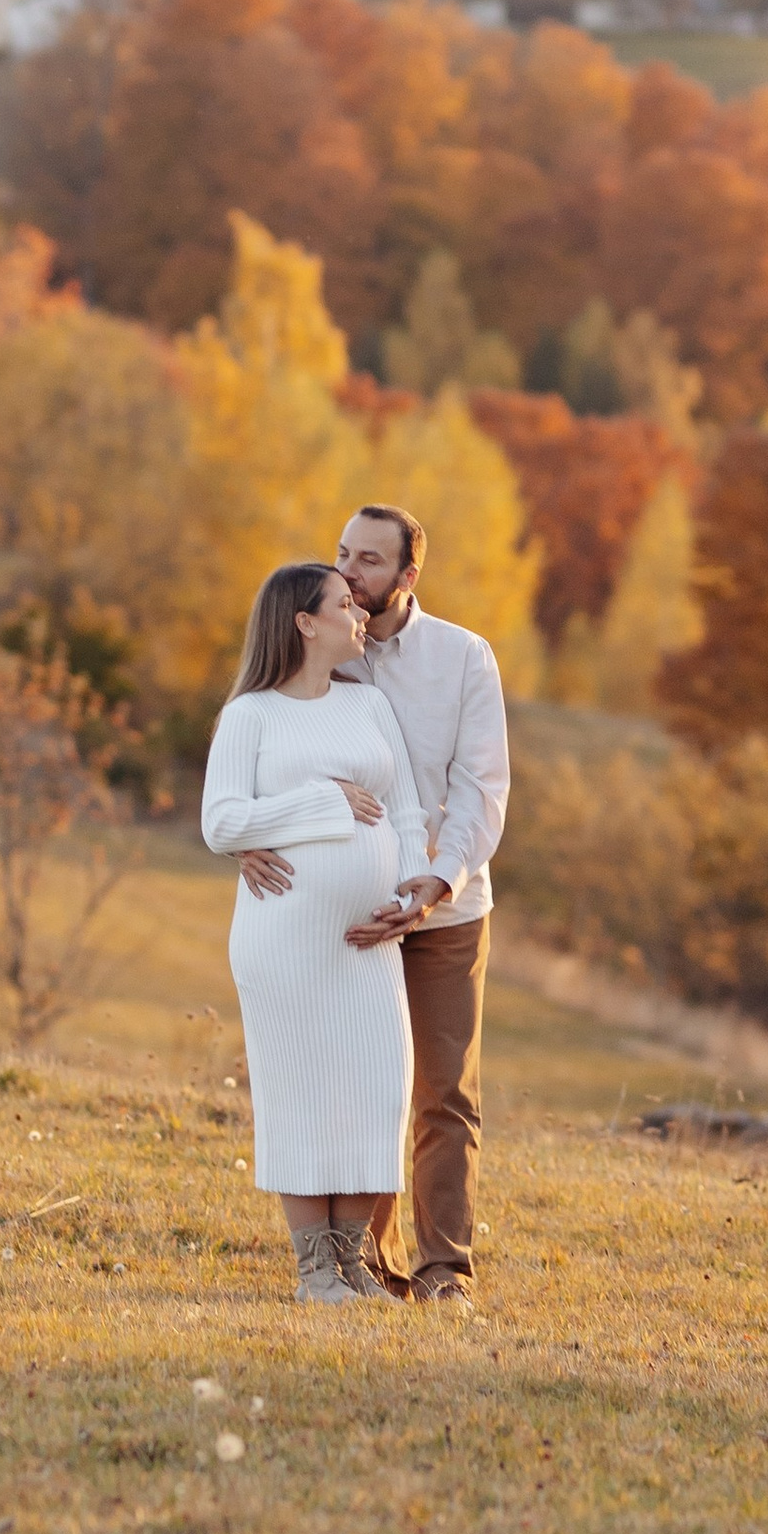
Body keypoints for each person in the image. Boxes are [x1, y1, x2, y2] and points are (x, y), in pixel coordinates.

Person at [236, 502, 509, 1304]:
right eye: (343, 554)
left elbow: (480, 789)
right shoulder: (321, 646)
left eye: (370, 562)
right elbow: (263, 750)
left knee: (442, 1093)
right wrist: (251, 835)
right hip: (347, 917)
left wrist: (437, 881)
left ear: (408, 576)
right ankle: (370, 1266)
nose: (349, 574)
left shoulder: (463, 659)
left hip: (446, 909)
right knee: (364, 1085)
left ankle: (444, 1268)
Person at [200, 560, 435, 1307]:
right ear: (304, 623)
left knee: (376, 1089)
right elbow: (222, 821)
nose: (357, 613)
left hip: (371, 942)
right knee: (301, 1092)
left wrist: (409, 890)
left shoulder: (367, 706)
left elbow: (404, 810)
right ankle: (313, 1273)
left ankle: (352, 1263)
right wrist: (324, 803)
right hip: (285, 944)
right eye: (343, 604)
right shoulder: (253, 715)